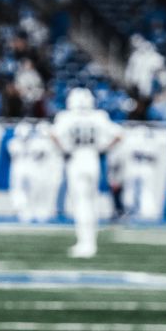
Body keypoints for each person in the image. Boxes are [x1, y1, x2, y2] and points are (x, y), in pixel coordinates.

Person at [51, 88, 121, 258]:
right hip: (92, 159)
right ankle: (90, 241)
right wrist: (102, 149)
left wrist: (65, 150)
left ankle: (85, 243)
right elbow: (119, 135)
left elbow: (53, 135)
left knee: (80, 203)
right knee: (91, 202)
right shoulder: (99, 116)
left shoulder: (66, 117)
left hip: (76, 159)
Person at [6, 121, 35, 222]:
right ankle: (24, 210)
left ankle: (22, 210)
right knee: (26, 190)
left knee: (19, 189)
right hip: (29, 167)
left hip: (19, 167)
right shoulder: (34, 143)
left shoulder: (13, 143)